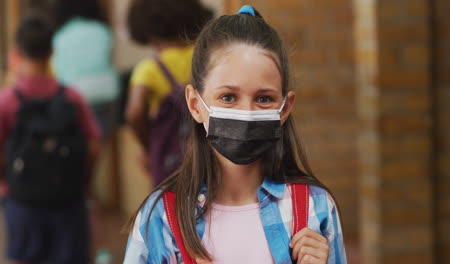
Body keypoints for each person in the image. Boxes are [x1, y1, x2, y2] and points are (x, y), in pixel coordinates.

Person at [123, 5, 347, 264]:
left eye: (264, 98)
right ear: (195, 105)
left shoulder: (314, 209)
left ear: (284, 108)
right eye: (228, 97)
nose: (247, 113)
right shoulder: (160, 217)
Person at [0, 14, 100, 264]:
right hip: (68, 201)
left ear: (17, 53)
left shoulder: (7, 101)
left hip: (22, 201)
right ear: (52, 52)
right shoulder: (72, 97)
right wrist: (85, 183)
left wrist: (5, 184)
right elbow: (94, 145)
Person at [125, 0, 213, 186]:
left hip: (169, 158)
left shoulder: (149, 68)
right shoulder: (205, 57)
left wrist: (148, 146)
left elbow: (134, 112)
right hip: (208, 150)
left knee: (168, 203)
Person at [52, 0, 119, 137]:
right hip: (104, 93)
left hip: (73, 96)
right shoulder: (102, 31)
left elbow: (58, 71)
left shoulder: (60, 37)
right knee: (100, 137)